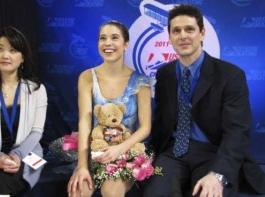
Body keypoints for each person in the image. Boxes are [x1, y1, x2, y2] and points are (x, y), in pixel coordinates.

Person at [143, 4, 265, 197]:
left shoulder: (230, 75)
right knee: (155, 193)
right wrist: (148, 156)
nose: (183, 35)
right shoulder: (164, 73)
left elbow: (237, 132)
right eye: (176, 31)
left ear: (202, 33)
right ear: (170, 37)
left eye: (189, 29)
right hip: (172, 153)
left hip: (214, 152)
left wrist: (218, 174)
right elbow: (160, 122)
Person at [67, 21, 155, 197]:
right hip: (95, 149)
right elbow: (84, 121)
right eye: (102, 38)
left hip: (126, 150)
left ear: (126, 44)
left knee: (111, 191)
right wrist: (82, 166)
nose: (107, 43)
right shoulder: (86, 77)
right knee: (79, 191)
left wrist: (119, 149)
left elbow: (145, 128)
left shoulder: (141, 81)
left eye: (114, 38)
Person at [0, 26, 48, 196]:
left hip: (27, 156)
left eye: (12, 50)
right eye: (0, 49)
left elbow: (36, 132)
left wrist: (17, 155)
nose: (5, 55)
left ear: (22, 57)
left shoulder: (37, 90)